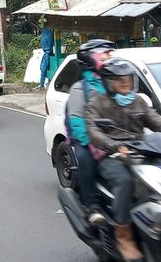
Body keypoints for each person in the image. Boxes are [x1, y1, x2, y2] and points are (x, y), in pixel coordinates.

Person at [86, 58, 161, 262]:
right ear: (108, 82)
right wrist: (112, 144)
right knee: (125, 181)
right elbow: (94, 132)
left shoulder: (138, 102)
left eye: (128, 79)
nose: (125, 83)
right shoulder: (97, 104)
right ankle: (125, 236)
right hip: (112, 156)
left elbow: (159, 124)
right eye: (119, 80)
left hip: (141, 152)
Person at [65, 39, 115, 226]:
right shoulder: (80, 88)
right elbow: (77, 122)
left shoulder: (116, 81)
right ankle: (92, 205)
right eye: (105, 54)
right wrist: (96, 143)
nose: (109, 57)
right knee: (85, 160)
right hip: (89, 140)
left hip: (116, 137)